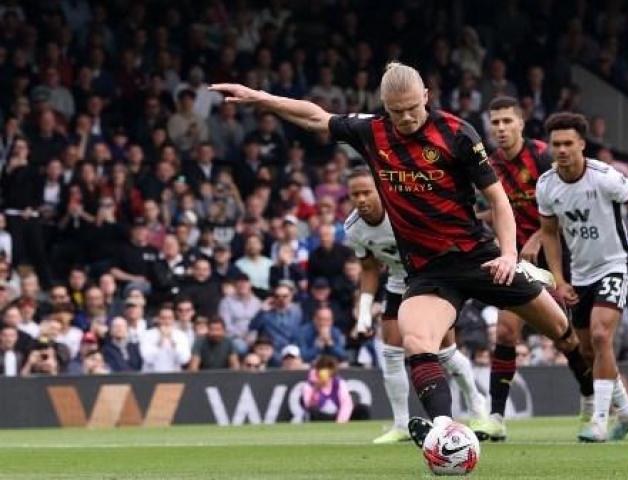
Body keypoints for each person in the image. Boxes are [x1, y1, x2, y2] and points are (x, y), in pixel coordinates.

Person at [211, 62, 588, 448]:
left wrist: (509, 254)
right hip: (429, 273)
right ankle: (445, 431)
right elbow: (315, 117)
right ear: (383, 106)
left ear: (426, 96)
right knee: (416, 342)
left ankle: (599, 398)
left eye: (413, 108)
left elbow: (496, 197)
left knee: (564, 333)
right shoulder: (372, 131)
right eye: (396, 111)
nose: (406, 118)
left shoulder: (457, 133)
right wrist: (261, 99)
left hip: (481, 259)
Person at [537, 112, 628, 442]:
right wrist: (559, 279)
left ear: (582, 145)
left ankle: (599, 421)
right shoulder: (546, 185)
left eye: (569, 143)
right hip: (579, 275)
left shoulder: (604, 176)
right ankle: (627, 412)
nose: (562, 150)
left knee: (601, 337)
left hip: (615, 265)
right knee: (587, 351)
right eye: (556, 144)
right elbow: (549, 233)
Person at [345, 167, 490, 443]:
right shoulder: (354, 227)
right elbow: (369, 269)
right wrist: (363, 315)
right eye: (355, 194)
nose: (361, 199)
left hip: (431, 280)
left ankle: (477, 406)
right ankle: (400, 424)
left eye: (367, 192)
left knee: (445, 353)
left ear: (379, 188)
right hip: (399, 284)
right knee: (390, 352)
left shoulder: (402, 211)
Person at [481, 96, 594, 441]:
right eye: (495, 122)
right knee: (505, 332)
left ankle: (592, 398)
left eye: (506, 121)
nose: (500, 128)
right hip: (517, 258)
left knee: (571, 340)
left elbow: (569, 202)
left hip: (560, 254)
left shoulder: (545, 155)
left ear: (521, 123)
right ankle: (496, 417)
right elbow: (496, 210)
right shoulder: (490, 165)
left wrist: (536, 239)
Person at [301, 355, 354, 423]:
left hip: (337, 416)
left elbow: (346, 404)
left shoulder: (339, 383)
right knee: (313, 411)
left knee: (362, 409)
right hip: (320, 417)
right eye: (322, 368)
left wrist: (340, 422)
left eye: (329, 368)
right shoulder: (309, 385)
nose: (326, 371)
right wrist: (316, 389)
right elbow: (308, 406)